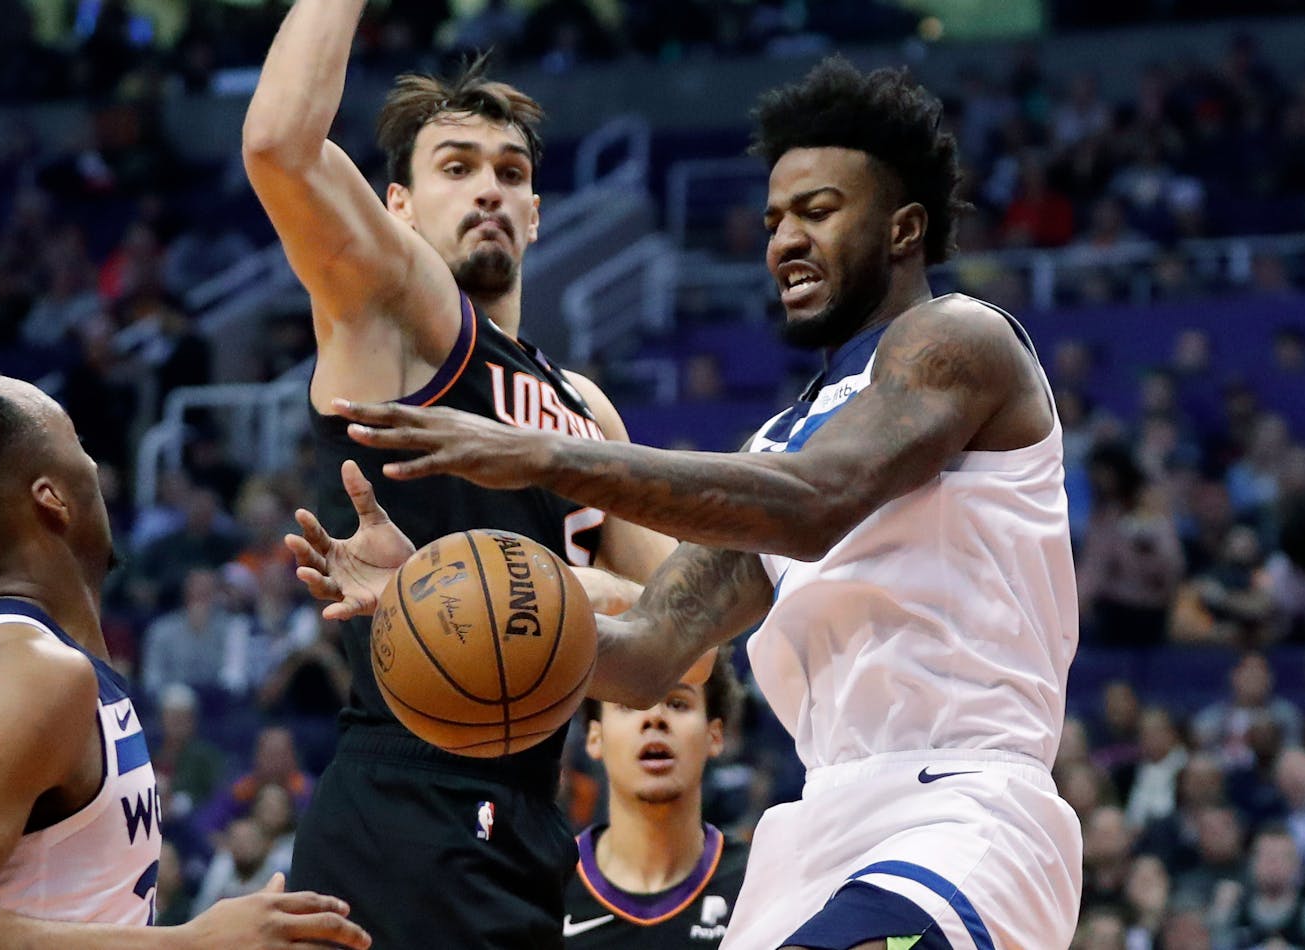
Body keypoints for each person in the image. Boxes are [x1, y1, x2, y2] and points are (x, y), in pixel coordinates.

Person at [320, 57, 1084, 949]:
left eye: (818, 212)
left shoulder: (961, 342)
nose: (784, 241)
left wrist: (545, 454)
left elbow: (817, 501)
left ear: (905, 228)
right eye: (773, 221)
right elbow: (647, 654)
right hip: (818, 823)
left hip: (963, 810)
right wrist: (427, 599)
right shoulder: (774, 443)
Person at [242, 3, 672, 948]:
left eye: (510, 174)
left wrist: (496, 590)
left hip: (531, 816)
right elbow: (278, 144)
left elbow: (674, 639)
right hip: (406, 795)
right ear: (395, 209)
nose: (488, 189)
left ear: (537, 213)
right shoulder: (401, 316)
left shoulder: (585, 409)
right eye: (456, 167)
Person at [0, 359, 369, 949]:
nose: (96, 467)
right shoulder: (29, 668)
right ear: (51, 498)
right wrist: (189, 944)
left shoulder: (35, 658)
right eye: (78, 444)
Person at [564, 648, 749, 947]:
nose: (654, 717)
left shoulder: (757, 885)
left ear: (714, 735)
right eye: (629, 703)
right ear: (594, 737)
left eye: (677, 703)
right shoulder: (545, 886)